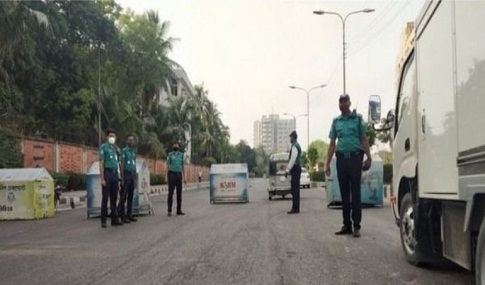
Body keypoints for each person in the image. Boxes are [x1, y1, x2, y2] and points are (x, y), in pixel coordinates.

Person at [325, 94, 372, 237]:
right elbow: (332, 144)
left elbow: (363, 139)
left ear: (350, 103)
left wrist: (369, 157)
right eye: (340, 102)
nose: (342, 104)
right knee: (344, 193)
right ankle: (347, 225)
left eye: (345, 101)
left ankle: (356, 225)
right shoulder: (335, 122)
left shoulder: (357, 120)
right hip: (341, 160)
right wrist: (327, 163)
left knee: (355, 192)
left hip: (355, 159)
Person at [99, 129, 122, 228]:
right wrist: (102, 178)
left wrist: (119, 176)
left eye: (114, 136)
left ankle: (114, 219)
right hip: (107, 173)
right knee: (105, 198)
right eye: (110, 136)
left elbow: (119, 163)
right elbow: (101, 164)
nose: (112, 138)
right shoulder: (104, 148)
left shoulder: (115, 149)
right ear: (107, 137)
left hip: (115, 174)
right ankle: (103, 220)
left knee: (114, 198)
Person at [118, 134, 138, 224]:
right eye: (129, 140)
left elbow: (134, 165)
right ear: (126, 141)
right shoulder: (124, 151)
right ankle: (122, 216)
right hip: (125, 175)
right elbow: (122, 165)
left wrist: (135, 178)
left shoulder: (133, 152)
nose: (131, 141)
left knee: (130, 196)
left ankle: (129, 214)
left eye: (132, 140)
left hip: (131, 176)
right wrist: (122, 178)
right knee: (123, 197)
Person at [166, 142, 186, 216]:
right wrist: (166, 176)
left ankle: (179, 210)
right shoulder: (170, 155)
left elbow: (183, 166)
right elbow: (167, 165)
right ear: (172, 146)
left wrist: (185, 177)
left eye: (177, 145)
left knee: (179, 193)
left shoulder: (181, 155)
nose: (176, 146)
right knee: (170, 193)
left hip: (179, 175)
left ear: (178, 146)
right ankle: (169, 210)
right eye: (174, 145)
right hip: (172, 174)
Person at [286, 130, 302, 214]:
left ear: (293, 137)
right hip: (296, 168)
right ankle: (296, 207)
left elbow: (293, 159)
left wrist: (287, 169)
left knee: (294, 189)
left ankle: (295, 208)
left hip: (295, 168)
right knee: (295, 189)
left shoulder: (294, 146)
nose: (290, 139)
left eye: (290, 137)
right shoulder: (295, 145)